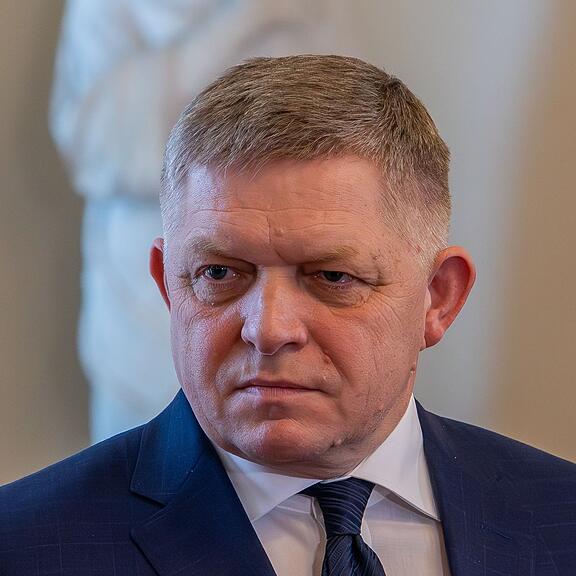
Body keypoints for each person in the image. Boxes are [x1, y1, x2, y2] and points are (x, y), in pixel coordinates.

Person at [1, 55, 575, 575]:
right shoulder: (23, 546)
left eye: (332, 278)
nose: (269, 329)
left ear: (438, 297)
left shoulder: (560, 517)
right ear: (168, 285)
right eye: (220, 273)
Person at [50, 0, 375, 443]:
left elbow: (351, 130)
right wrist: (244, 20)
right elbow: (99, 146)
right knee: (147, 463)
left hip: (298, 262)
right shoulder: (109, 8)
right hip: (147, 288)